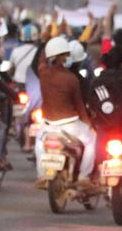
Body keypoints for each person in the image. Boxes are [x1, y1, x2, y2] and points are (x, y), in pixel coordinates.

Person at [35, 36, 97, 185]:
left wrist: (46, 41)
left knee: (38, 143)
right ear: (64, 56)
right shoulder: (72, 79)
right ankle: (84, 176)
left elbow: (41, 59)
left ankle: (42, 175)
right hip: (71, 125)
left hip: (48, 125)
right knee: (91, 140)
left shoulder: (43, 72)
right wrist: (89, 124)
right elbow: (79, 106)